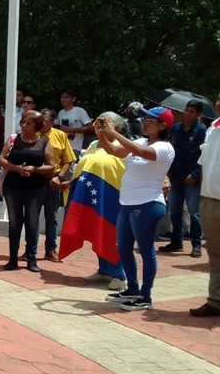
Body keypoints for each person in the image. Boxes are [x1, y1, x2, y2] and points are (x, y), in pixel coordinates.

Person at [97, 106, 175, 311]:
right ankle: (132, 289)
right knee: (122, 247)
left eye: (150, 120)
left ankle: (145, 296)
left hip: (148, 203)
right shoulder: (140, 141)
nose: (145, 122)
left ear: (162, 125)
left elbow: (140, 153)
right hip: (128, 203)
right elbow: (113, 151)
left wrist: (113, 133)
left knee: (146, 250)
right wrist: (101, 134)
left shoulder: (165, 147)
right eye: (145, 119)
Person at [64, 111, 129, 291]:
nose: (99, 126)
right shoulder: (93, 144)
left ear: (117, 127)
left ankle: (119, 274)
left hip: (112, 196)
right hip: (91, 196)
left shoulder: (121, 144)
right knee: (96, 231)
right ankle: (104, 270)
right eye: (98, 122)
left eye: (104, 123)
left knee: (111, 233)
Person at [0, 110, 55, 272]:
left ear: (37, 126)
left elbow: (51, 166)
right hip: (13, 187)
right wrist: (16, 168)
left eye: (28, 123)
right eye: (23, 122)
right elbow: (1, 159)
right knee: (15, 223)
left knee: (32, 223)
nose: (24, 126)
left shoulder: (44, 142)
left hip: (35, 188)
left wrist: (35, 169)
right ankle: (12, 259)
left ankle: (31, 259)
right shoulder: (13, 139)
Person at [159, 100, 206, 257]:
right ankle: (176, 241)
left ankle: (196, 244)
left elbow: (203, 156)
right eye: (186, 110)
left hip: (192, 178)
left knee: (194, 212)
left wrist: (195, 174)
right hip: (175, 176)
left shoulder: (201, 131)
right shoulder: (176, 128)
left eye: (192, 111)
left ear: (199, 115)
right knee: (174, 210)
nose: (187, 113)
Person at [190, 103, 220, 317]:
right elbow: (204, 163)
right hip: (209, 200)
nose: (218, 104)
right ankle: (216, 300)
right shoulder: (212, 128)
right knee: (215, 255)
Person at [40, 108, 77, 262]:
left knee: (51, 216)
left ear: (52, 121)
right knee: (31, 216)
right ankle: (30, 249)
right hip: (34, 179)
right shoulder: (32, 134)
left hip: (53, 180)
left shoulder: (60, 135)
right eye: (39, 121)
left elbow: (69, 160)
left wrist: (60, 177)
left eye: (45, 121)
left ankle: (50, 249)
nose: (41, 124)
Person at [58, 89, 93, 154]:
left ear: (73, 99)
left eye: (67, 97)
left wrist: (72, 130)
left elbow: (90, 127)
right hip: (62, 147)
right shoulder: (60, 113)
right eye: (62, 97)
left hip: (75, 148)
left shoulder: (79, 111)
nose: (64, 99)